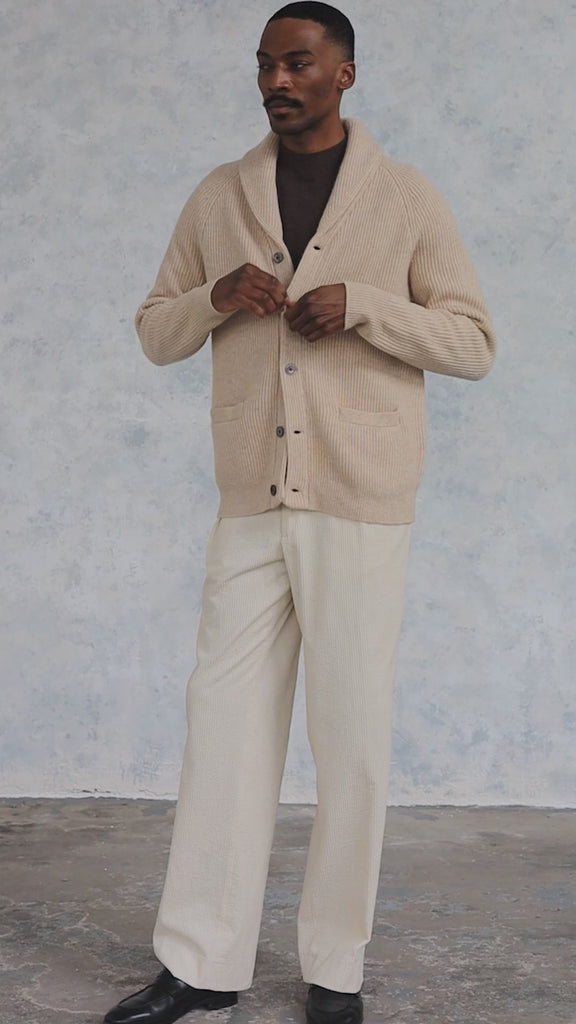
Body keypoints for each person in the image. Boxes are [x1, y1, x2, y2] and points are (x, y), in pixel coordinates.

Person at [103, 3, 496, 1023]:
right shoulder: (219, 194)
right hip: (250, 499)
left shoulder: (405, 197)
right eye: (266, 64)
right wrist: (215, 297)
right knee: (221, 727)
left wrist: (367, 305)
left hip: (359, 501)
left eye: (299, 63)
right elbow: (154, 331)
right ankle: (202, 964)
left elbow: (472, 341)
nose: (277, 80)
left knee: (352, 738)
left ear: (344, 74)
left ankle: (335, 970)